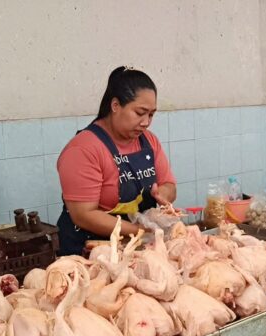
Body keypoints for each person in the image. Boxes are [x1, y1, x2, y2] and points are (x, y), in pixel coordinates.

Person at [56, 66, 177, 256]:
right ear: (115, 106)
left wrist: (163, 194)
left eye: (151, 114)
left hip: (135, 247)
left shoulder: (149, 141)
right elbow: (83, 215)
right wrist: (139, 231)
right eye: (139, 113)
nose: (146, 122)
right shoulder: (84, 149)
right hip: (92, 250)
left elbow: (169, 184)